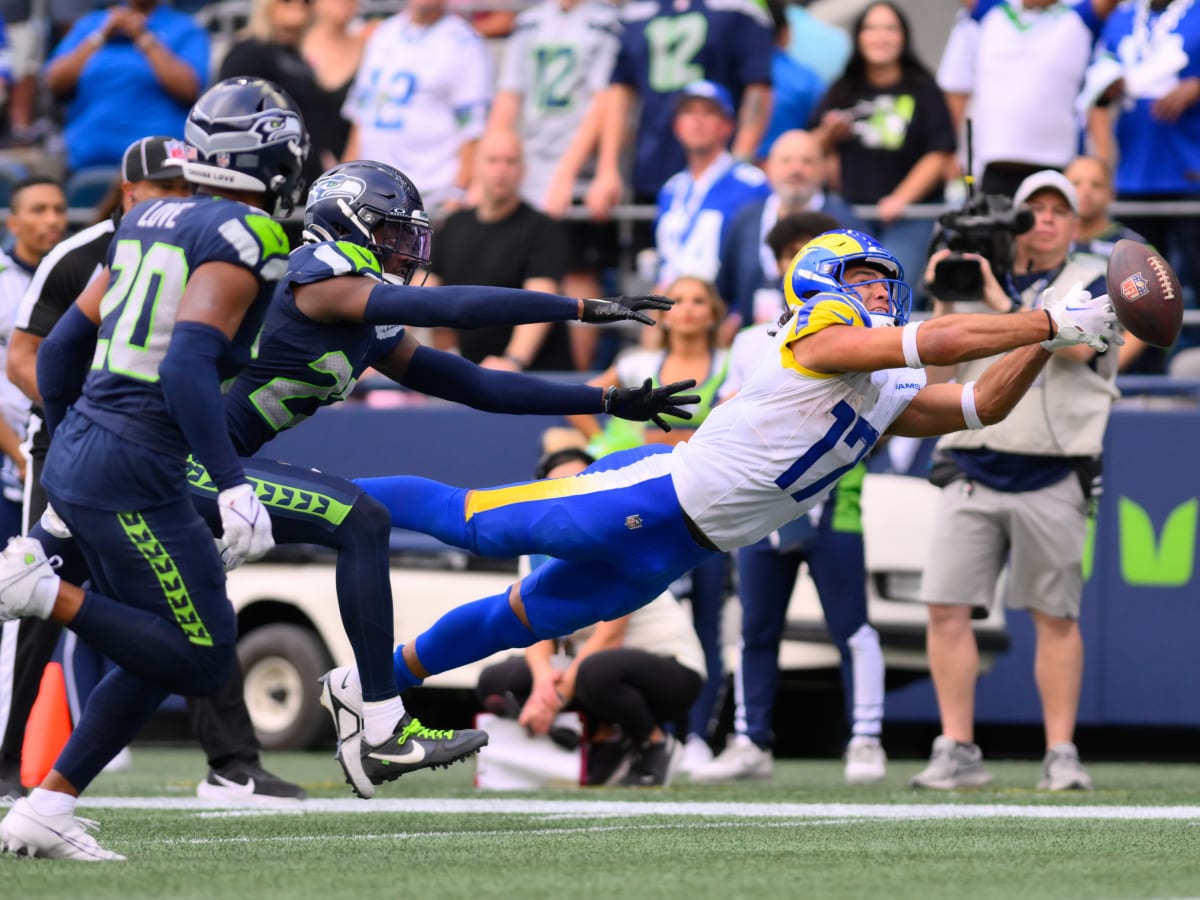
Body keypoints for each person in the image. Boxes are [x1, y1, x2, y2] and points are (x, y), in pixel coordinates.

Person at [318, 228, 1121, 752]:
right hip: (654, 496)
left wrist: (1053, 344)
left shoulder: (883, 387)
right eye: (866, 277)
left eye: (887, 279)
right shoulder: (819, 331)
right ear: (826, 281)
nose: (882, 289)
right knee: (474, 524)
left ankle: (369, 684)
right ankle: (299, 495)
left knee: (518, 618)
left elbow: (979, 404)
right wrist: (1050, 321)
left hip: (675, 547)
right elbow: (943, 338)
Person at [0, 76, 311, 861]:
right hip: (138, 462)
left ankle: (47, 807)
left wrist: (72, 440)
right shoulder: (250, 235)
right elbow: (185, 368)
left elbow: (65, 347)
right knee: (203, 654)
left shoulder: (142, 218)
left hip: (94, 449)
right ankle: (45, 591)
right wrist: (234, 484)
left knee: (165, 640)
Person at [911, 170, 1118, 792]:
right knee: (946, 607)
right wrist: (948, 298)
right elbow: (935, 373)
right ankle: (957, 747)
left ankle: (1060, 751)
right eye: (1036, 209)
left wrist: (998, 304)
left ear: (1077, 225)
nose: (1048, 219)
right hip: (972, 461)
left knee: (1054, 613)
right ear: (1015, 220)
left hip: (1055, 464)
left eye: (1061, 210)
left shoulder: (1094, 282)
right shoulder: (972, 276)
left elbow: (1082, 345)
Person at [690, 211, 887, 786]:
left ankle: (867, 738)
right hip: (764, 503)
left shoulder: (869, 331)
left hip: (834, 497)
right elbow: (730, 412)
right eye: (792, 252)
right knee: (756, 628)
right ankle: (751, 739)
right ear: (781, 266)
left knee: (852, 625)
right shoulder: (754, 340)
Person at [566, 275, 730, 771]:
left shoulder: (728, 367)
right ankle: (663, 736)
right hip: (647, 507)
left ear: (713, 312)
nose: (687, 309)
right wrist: (607, 448)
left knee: (706, 624)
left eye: (699, 299)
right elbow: (584, 401)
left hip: (707, 506)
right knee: (654, 614)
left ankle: (698, 736)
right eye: (677, 300)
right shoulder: (638, 364)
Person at [475, 433, 705, 787]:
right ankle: (600, 742)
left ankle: (654, 744)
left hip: (668, 666)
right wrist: (541, 688)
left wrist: (558, 694)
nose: (573, 492)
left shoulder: (618, 537)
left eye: (581, 482)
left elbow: (611, 634)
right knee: (497, 680)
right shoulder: (535, 548)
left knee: (595, 673)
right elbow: (532, 625)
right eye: (561, 485)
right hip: (590, 665)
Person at [811, 1, 955, 308]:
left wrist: (901, 199)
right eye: (871, 28)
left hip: (911, 215)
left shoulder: (923, 89)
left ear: (903, 37)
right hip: (852, 214)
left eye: (890, 28)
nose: (881, 37)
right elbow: (810, 145)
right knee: (849, 294)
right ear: (858, 37)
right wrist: (828, 135)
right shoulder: (843, 88)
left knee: (890, 289)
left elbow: (939, 152)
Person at [1080, 0, 1200, 352]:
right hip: (1133, 178)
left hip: (1190, 175)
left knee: (1193, 281)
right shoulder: (1123, 17)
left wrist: (1196, 86)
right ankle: (1141, 373)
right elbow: (1096, 95)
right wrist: (1104, 163)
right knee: (1135, 289)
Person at [428, 130, 575, 371]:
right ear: (475, 167)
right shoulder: (453, 226)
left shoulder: (543, 228)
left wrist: (513, 361)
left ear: (523, 170)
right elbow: (421, 294)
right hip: (473, 378)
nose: (501, 169)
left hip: (538, 377)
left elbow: (541, 302)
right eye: (493, 160)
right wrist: (383, 349)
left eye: (510, 161)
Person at [937, 0, 1117, 197]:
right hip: (990, 165)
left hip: (1058, 163)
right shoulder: (989, 12)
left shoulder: (1080, 15)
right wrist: (948, 151)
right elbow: (956, 91)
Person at [341, 0, 492, 211]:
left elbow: (474, 129)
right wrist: (345, 179)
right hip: (371, 192)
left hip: (429, 195)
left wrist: (458, 193)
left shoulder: (464, 43)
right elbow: (361, 116)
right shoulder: (383, 33)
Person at [717, 129, 864, 340]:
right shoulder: (747, 218)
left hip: (823, 343)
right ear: (768, 168)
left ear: (823, 170)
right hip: (754, 342)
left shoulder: (846, 224)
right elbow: (724, 288)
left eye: (807, 161)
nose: (796, 169)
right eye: (786, 161)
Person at [43, 0, 209, 173]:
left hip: (159, 166)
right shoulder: (92, 23)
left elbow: (189, 89)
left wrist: (142, 37)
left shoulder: (185, 28)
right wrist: (101, 35)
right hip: (90, 161)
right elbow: (55, 81)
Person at [653, 80, 771, 291]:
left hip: (721, 310)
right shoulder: (671, 189)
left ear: (727, 126)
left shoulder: (751, 184)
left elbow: (756, 260)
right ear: (677, 125)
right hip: (673, 310)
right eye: (688, 112)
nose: (697, 121)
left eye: (708, 113)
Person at [0, 177, 67, 541]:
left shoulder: (81, 275)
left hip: (66, 449)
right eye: (39, 210)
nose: (52, 220)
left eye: (59, 209)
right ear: (13, 223)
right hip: (11, 455)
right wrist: (19, 456)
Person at [1063, 155, 1160, 374]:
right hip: (1055, 366)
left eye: (1096, 184)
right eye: (1076, 183)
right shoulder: (1046, 243)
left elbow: (1151, 315)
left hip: (1120, 374)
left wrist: (1110, 369)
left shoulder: (1135, 248)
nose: (1085, 190)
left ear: (1111, 194)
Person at [218, 0, 326, 190]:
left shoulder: (297, 55)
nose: (298, 4)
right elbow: (229, 116)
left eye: (307, 1)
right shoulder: (249, 52)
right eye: (287, 0)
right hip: (265, 178)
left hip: (300, 174)